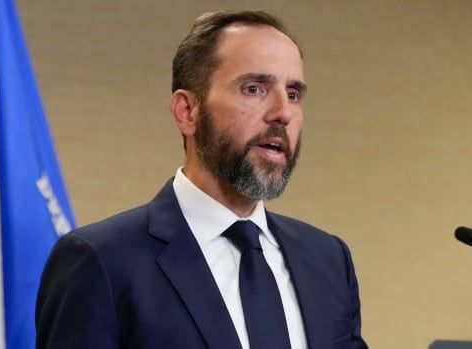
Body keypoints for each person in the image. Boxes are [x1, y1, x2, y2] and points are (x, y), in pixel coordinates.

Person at [35, 10, 368, 349]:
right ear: (187, 112)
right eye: (254, 88)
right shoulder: (102, 262)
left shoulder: (329, 260)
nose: (283, 112)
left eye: (294, 93)